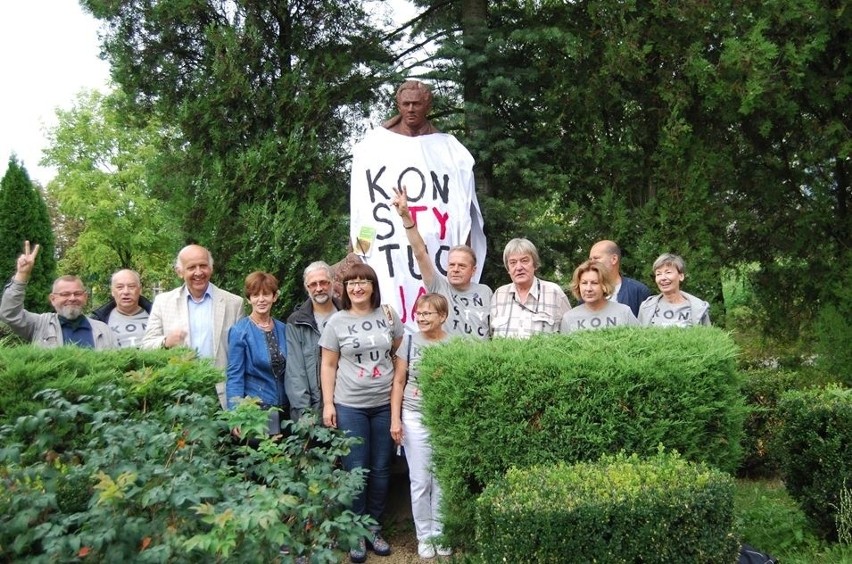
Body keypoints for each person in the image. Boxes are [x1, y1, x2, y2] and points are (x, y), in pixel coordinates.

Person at [349, 79, 486, 331]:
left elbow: (460, 212)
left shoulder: (449, 150)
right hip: (390, 251)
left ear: (428, 106)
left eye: (416, 104)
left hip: (434, 250)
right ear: (398, 106)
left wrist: (463, 253)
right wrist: (360, 251)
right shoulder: (375, 147)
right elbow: (366, 211)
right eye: (405, 104)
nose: (410, 109)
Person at [319, 263, 403, 563]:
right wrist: (329, 404)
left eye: (363, 282)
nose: (357, 287)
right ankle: (354, 532)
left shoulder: (389, 316)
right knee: (356, 472)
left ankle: (373, 528)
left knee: (381, 470)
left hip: (383, 405)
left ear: (372, 286)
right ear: (344, 289)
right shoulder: (336, 322)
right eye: (351, 282)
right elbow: (328, 365)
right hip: (350, 405)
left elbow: (397, 352)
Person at [390, 293, 453, 559]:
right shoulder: (409, 340)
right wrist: (395, 419)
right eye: (419, 313)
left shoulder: (454, 344)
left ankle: (441, 532)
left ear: (443, 316)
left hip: (442, 419)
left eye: (428, 313)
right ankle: (423, 536)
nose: (422, 318)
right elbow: (399, 382)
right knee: (419, 480)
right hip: (413, 417)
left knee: (441, 480)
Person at [392, 185, 492, 338]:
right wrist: (406, 216)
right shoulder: (438, 287)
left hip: (480, 360)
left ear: (473, 270)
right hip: (448, 359)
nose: (455, 269)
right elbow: (420, 253)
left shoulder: (486, 292)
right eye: (452, 264)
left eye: (462, 266)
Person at [141, 244, 244, 381]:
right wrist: (166, 342)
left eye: (203, 265)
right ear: (180, 272)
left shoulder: (234, 303)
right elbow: (146, 347)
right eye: (191, 267)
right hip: (181, 391)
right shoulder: (163, 302)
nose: (198, 272)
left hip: (221, 390)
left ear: (211, 268)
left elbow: (240, 355)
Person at [0, 241, 117, 349]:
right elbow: (10, 314)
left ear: (85, 297)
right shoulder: (39, 325)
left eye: (77, 293)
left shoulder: (103, 330)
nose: (72, 298)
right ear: (53, 299)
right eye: (65, 294)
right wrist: (22, 275)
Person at [225, 271, 288, 435]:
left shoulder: (284, 329)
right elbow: (234, 375)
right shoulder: (240, 331)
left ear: (274, 297)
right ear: (249, 299)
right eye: (255, 295)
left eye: (266, 294)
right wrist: (235, 414)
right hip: (256, 411)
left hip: (286, 411)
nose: (261, 299)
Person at [285, 261, 340, 421]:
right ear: (306, 288)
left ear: (332, 282)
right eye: (313, 284)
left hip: (348, 404)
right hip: (313, 408)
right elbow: (295, 373)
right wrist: (305, 414)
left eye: (323, 282)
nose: (319, 288)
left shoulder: (347, 314)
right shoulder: (296, 322)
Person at [490, 238, 571, 338]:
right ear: (508, 269)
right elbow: (491, 336)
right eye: (513, 262)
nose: (519, 267)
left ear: (535, 264)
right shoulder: (499, 295)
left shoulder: (554, 293)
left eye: (524, 261)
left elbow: (570, 336)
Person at [560, 260, 638, 333]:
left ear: (604, 285)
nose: (588, 289)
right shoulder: (569, 318)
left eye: (594, 283)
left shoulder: (624, 312)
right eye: (584, 283)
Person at [638, 253, 711, 327]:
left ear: (681, 276)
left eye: (668, 272)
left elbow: (708, 337)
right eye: (658, 274)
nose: (663, 278)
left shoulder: (699, 307)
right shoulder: (646, 307)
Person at [588, 240, 652, 317]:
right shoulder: (587, 292)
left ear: (614, 259)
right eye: (590, 259)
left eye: (596, 258)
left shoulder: (638, 291)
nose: (591, 263)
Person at [90, 269, 152, 348]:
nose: (126, 292)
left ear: (140, 290)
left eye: (131, 287)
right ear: (112, 291)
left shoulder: (156, 315)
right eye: (120, 287)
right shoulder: (98, 320)